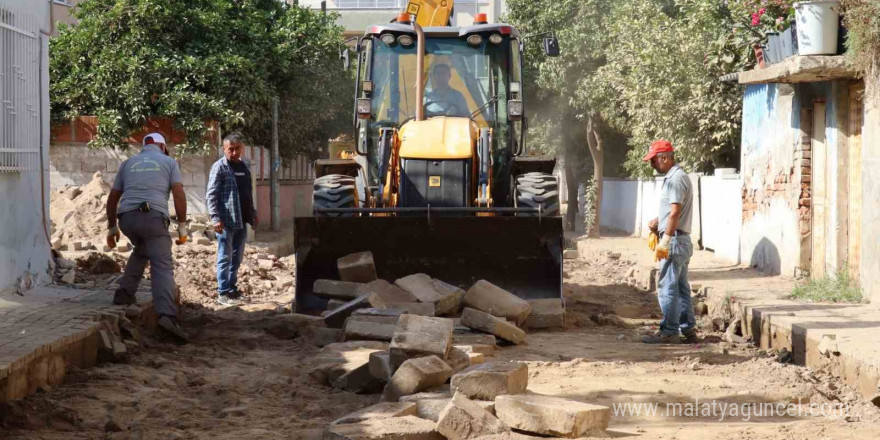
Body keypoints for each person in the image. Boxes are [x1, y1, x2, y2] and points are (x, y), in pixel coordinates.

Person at [106, 132, 189, 342]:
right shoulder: (169, 162)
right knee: (161, 264)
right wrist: (182, 224)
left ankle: (124, 294)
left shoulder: (128, 164)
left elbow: (113, 196)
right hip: (152, 217)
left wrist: (112, 228)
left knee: (142, 249)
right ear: (162, 147)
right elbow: (178, 193)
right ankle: (167, 316)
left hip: (126, 219)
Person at [641, 140, 697, 344]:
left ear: (664, 158)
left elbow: (675, 212)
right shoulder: (677, 178)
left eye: (654, 160)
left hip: (674, 241)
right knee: (681, 287)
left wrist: (664, 239)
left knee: (667, 286)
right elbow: (673, 212)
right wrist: (659, 221)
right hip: (680, 240)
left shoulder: (675, 179)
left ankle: (670, 332)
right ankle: (688, 330)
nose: (652, 164)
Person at [206, 132, 257, 306]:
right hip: (226, 222)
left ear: (241, 148)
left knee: (237, 257)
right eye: (230, 149)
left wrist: (252, 212)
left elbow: (247, 193)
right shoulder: (219, 167)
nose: (234, 153)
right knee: (224, 257)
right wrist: (215, 218)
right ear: (224, 149)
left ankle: (232, 289)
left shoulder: (244, 166)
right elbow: (211, 195)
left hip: (241, 220)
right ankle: (222, 293)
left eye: (237, 149)